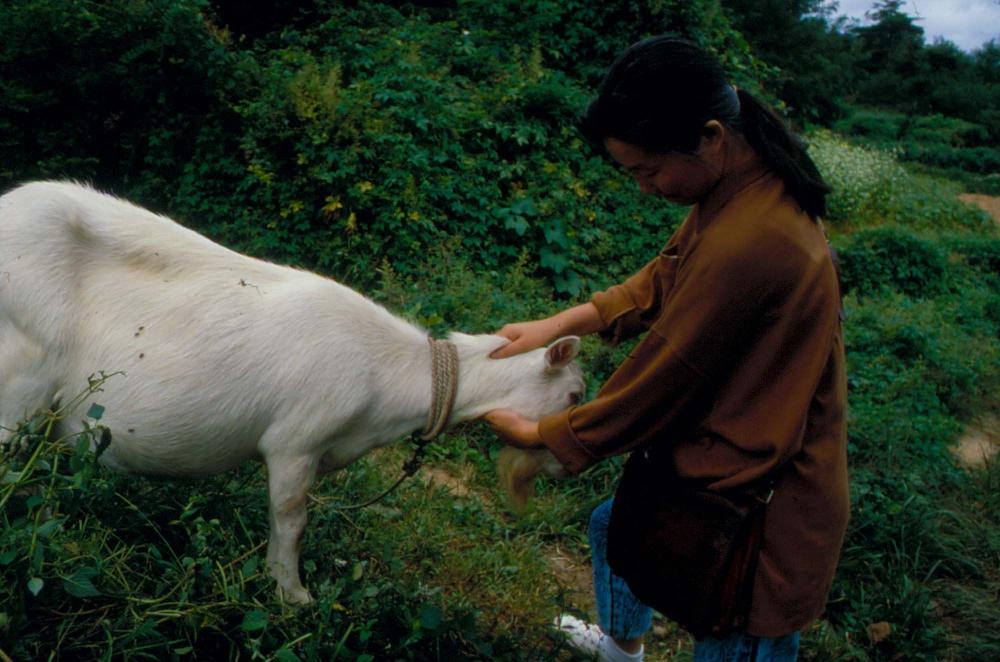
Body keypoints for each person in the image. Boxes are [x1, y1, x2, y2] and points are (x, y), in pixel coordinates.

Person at [484, 35, 849, 662]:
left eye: (648, 171)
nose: (645, 187)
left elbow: (668, 372)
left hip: (763, 511)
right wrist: (556, 324)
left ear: (710, 136)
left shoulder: (756, 238)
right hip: (725, 458)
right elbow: (666, 275)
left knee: (733, 634)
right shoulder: (738, 186)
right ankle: (622, 650)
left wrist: (553, 435)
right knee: (614, 528)